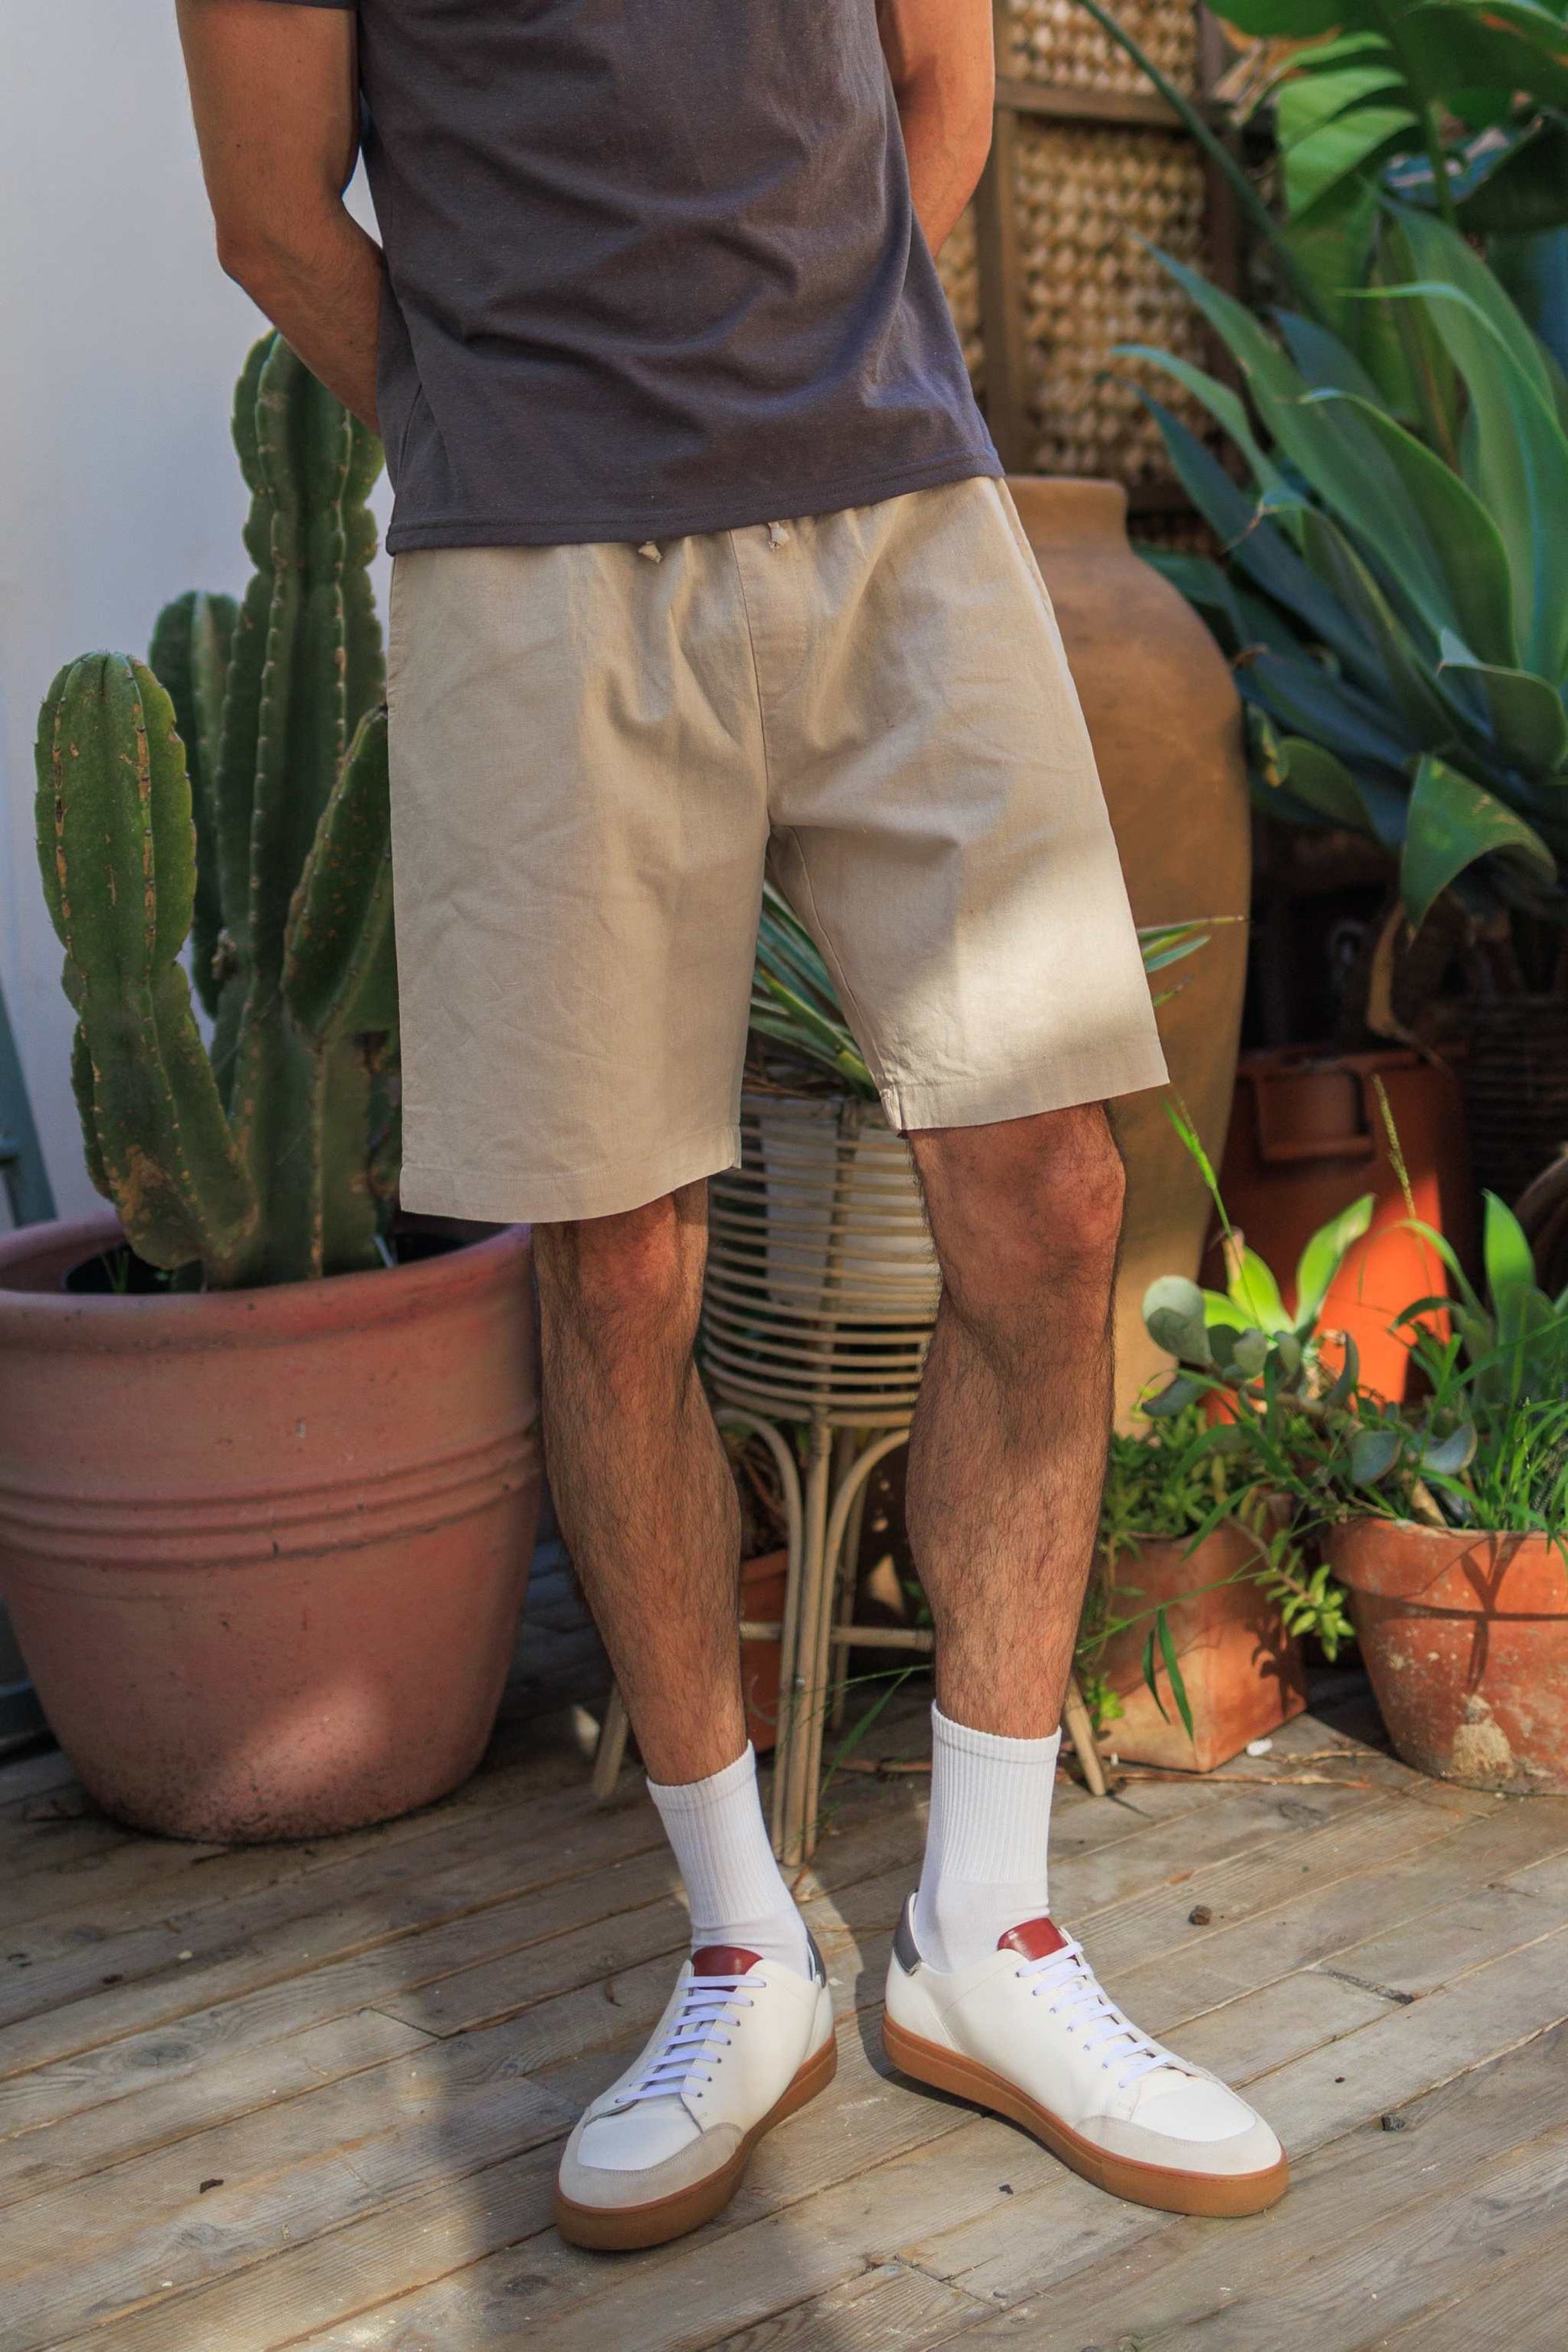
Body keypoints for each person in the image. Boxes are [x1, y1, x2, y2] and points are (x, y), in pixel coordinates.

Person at [176, 0, 1288, 2254]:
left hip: (896, 516)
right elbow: (272, 214)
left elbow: (941, 93)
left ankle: (985, 1938)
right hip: (540, 566)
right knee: (618, 1261)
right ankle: (739, 1951)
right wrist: (534, 445)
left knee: (1052, 1197)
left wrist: (809, 385)